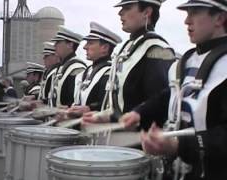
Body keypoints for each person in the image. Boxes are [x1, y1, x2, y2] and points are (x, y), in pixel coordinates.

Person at [121, 0, 227, 179]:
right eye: (187, 14)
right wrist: (139, 112)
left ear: (220, 18)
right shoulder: (189, 60)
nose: (187, 21)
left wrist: (179, 146)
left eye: (194, 13)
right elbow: (171, 95)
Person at [83, 0, 175, 128]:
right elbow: (122, 102)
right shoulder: (129, 47)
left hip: (139, 142)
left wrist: (138, 115)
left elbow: (160, 103)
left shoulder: (156, 49)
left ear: (147, 12)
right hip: (117, 137)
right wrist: (105, 115)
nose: (120, 13)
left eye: (127, 7)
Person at [59, 21, 122, 121]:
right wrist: (68, 108)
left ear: (105, 48)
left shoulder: (110, 73)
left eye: (90, 43)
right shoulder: (86, 72)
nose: (85, 47)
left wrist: (90, 108)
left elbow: (110, 105)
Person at [50, 26, 87, 107]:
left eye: (58, 42)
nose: (54, 46)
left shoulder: (77, 68)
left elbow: (74, 100)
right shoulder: (62, 66)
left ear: (70, 45)